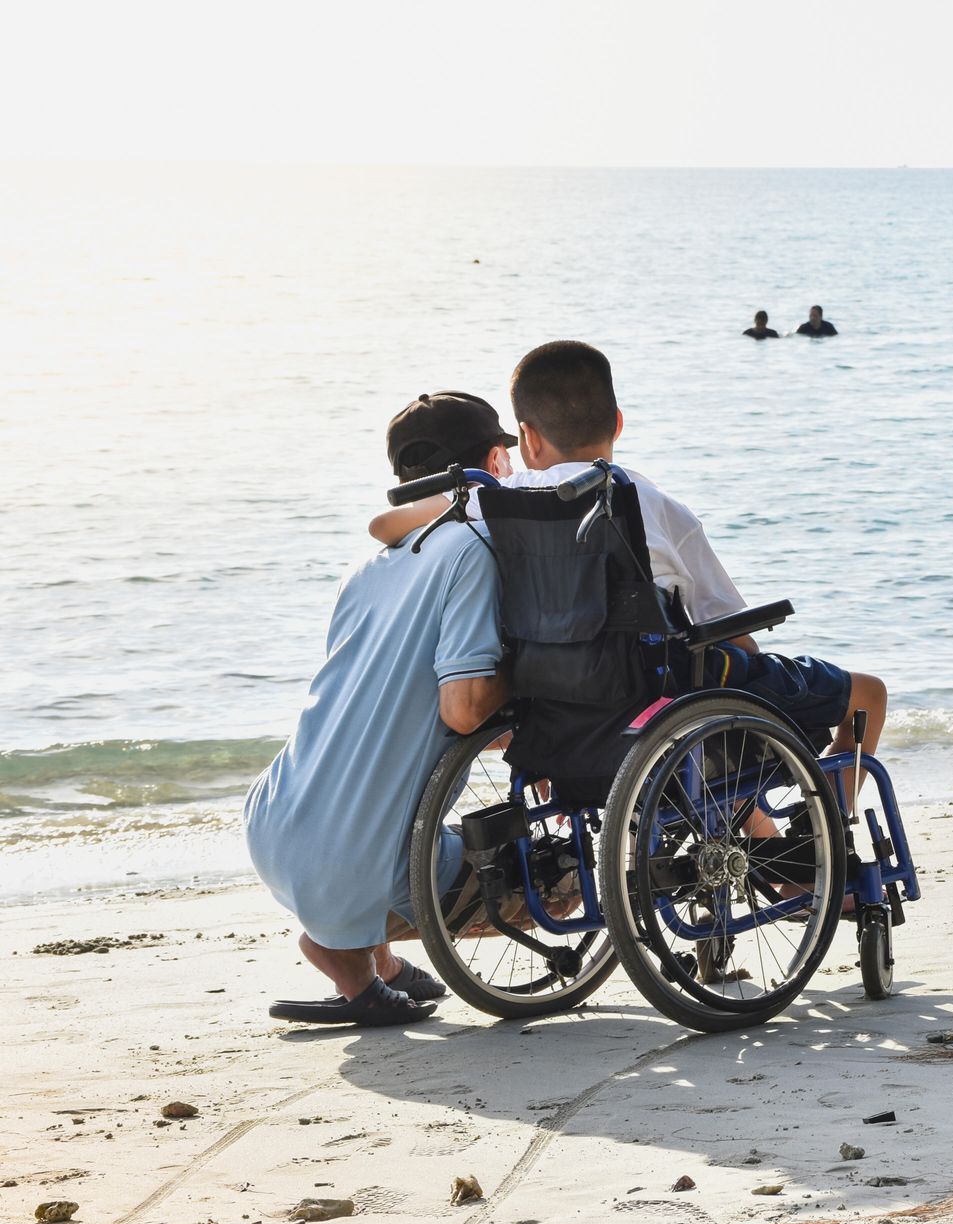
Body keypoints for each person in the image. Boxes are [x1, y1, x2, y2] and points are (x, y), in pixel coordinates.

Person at [371, 341, 886, 767]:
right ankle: (830, 835)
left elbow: (383, 524)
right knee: (868, 695)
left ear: (527, 438)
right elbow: (733, 632)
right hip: (653, 698)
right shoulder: (655, 504)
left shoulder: (502, 499)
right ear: (618, 422)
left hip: (554, 710)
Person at [245, 393, 516, 1026]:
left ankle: (368, 958)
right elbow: (464, 710)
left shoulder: (366, 564)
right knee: (557, 881)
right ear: (494, 462)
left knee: (375, 808)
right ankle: (349, 959)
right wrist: (529, 679)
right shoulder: (472, 548)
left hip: (274, 822)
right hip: (349, 861)